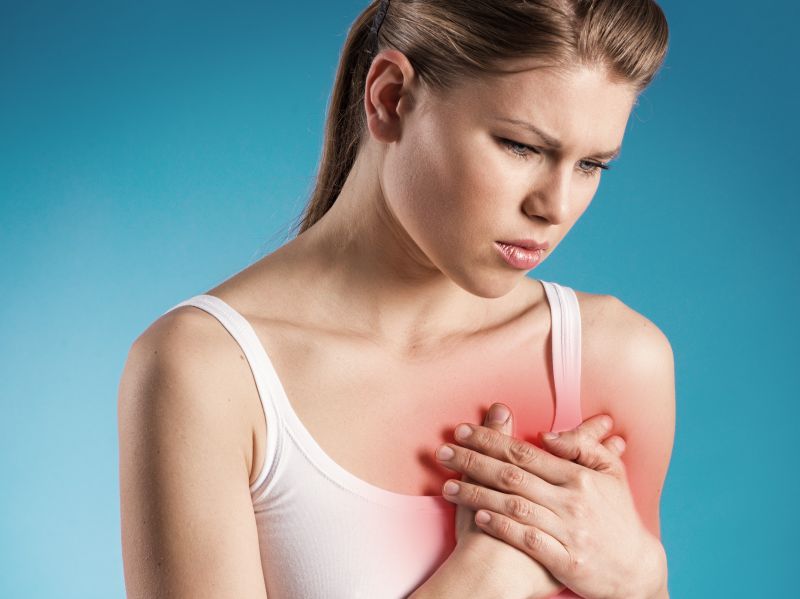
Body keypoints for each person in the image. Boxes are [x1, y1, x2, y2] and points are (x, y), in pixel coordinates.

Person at [118, 0, 675, 597]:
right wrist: (486, 578)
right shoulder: (208, 372)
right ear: (390, 98)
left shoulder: (616, 360)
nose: (555, 207)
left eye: (591, 164)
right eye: (519, 146)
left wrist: (644, 579)